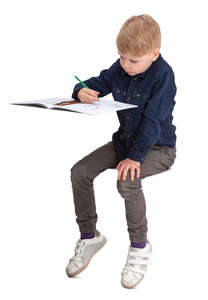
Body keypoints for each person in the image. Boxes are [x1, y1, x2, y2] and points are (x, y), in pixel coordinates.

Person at [66, 14, 177, 289]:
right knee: (79, 171)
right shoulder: (121, 67)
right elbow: (97, 82)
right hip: (124, 143)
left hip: (157, 148)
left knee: (127, 180)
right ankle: (90, 236)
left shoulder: (163, 76)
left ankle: (139, 246)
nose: (125, 65)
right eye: (122, 57)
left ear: (154, 53)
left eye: (133, 60)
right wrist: (81, 91)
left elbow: (152, 123)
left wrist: (135, 158)